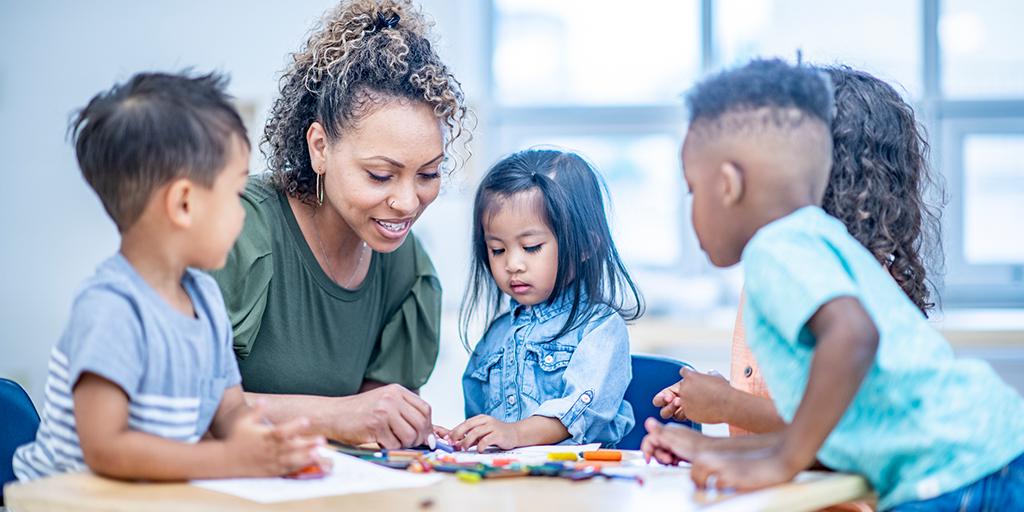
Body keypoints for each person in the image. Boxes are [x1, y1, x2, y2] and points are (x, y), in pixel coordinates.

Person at [643, 58, 1024, 510]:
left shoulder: (778, 246)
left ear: (728, 184)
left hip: (953, 473)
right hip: (985, 453)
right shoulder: (823, 243)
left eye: (692, 189)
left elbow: (854, 335)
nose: (690, 209)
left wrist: (782, 460)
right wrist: (714, 449)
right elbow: (842, 432)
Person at [14, 72, 325, 481]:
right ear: (183, 204)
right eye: (235, 195)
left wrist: (264, 445)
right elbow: (107, 448)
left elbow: (228, 409)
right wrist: (230, 460)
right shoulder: (111, 310)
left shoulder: (207, 301)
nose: (244, 213)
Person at [210, 0, 471, 449]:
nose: (408, 202)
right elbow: (183, 403)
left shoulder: (408, 269)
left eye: (428, 174)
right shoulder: (239, 230)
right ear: (320, 148)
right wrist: (333, 415)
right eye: (380, 175)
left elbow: (369, 430)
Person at [652, 65, 944, 441]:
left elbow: (845, 430)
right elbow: (797, 415)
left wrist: (728, 404)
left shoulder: (804, 265)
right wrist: (724, 407)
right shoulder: (790, 268)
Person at [437, 149, 642, 451]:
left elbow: (585, 411)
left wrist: (515, 433)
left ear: (585, 245)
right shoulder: (496, 335)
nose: (512, 264)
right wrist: (465, 438)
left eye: (531, 247)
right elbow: (485, 422)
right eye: (497, 249)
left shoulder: (600, 328)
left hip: (581, 486)